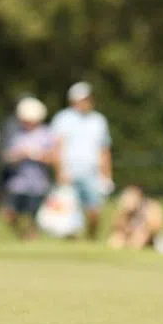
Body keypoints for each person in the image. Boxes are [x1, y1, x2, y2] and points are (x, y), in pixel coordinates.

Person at [50, 82, 113, 239]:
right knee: (68, 216)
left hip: (92, 172)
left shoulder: (99, 120)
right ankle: (72, 247)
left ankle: (90, 240)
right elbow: (57, 148)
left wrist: (107, 175)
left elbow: (104, 150)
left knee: (94, 212)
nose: (85, 102)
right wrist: (59, 171)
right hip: (69, 172)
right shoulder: (62, 118)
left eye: (87, 99)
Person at [1, 96, 58, 240]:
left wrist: (37, 155)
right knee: (9, 214)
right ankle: (21, 236)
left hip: (38, 184)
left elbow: (53, 158)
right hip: (17, 183)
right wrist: (19, 155)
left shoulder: (46, 134)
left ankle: (31, 238)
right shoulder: (16, 134)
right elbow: (7, 157)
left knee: (34, 217)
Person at [107, 186, 163, 253]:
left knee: (139, 239)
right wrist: (125, 213)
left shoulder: (151, 206)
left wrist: (141, 232)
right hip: (130, 234)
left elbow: (156, 227)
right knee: (115, 241)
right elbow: (116, 227)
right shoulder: (125, 210)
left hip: (150, 236)